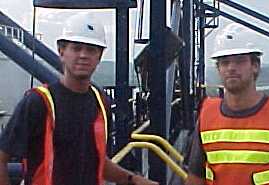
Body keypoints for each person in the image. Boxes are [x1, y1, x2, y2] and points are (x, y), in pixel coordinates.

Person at [0, 12, 158, 185]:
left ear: (99, 56)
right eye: (76, 48)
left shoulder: (100, 104)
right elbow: (2, 158)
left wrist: (132, 179)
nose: (83, 55)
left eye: (91, 49)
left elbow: (97, 162)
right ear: (61, 51)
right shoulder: (38, 103)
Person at [184, 23, 269, 185]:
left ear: (255, 66)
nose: (231, 68)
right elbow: (195, 177)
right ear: (218, 69)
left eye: (239, 61)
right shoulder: (206, 116)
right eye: (224, 62)